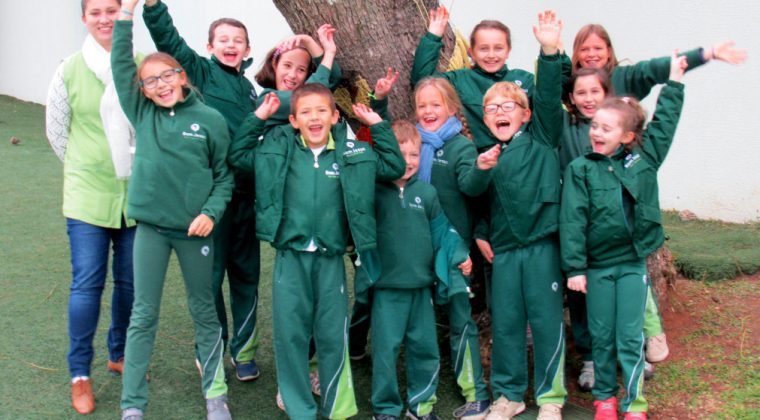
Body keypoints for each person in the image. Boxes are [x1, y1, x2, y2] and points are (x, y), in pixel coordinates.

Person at [229, 84, 404, 420]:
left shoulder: (352, 155)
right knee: (290, 335)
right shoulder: (277, 152)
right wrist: (258, 117)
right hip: (290, 258)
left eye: (321, 110)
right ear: (294, 120)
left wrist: (378, 125)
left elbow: (393, 166)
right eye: (305, 112)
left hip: (330, 259)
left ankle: (337, 408)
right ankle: (300, 409)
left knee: (331, 335)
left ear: (335, 116)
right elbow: (238, 156)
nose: (314, 117)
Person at [112, 3, 234, 419]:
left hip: (195, 232)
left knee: (204, 311)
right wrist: (126, 15)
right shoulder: (143, 113)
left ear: (182, 76)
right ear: (142, 89)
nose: (160, 85)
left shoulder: (210, 119)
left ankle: (215, 397)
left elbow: (224, 177)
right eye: (151, 81)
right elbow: (119, 63)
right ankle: (132, 406)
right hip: (151, 230)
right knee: (143, 314)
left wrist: (211, 213)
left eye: (167, 76)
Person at [560, 52, 688, 420]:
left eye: (606, 127)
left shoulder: (642, 161)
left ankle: (634, 403)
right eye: (594, 125)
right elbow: (572, 220)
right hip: (596, 268)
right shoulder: (580, 169)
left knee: (631, 338)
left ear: (628, 136)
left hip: (632, 264)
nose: (596, 132)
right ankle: (605, 400)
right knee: (601, 337)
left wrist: (675, 81)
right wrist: (575, 268)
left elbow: (664, 125)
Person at [140, 0, 262, 382]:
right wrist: (153, 6)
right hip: (212, 202)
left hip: (247, 202)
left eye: (237, 40)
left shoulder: (250, 90)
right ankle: (210, 348)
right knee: (209, 280)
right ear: (209, 47)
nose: (230, 44)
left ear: (246, 49)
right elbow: (168, 39)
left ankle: (244, 353)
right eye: (222, 39)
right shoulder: (199, 73)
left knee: (246, 276)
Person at [45, 0, 139, 414]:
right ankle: (79, 374)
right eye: (96, 11)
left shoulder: (140, 63)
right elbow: (57, 132)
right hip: (87, 194)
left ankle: (118, 354)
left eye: (112, 9)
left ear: (123, 14)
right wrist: (89, 167)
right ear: (84, 18)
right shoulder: (68, 69)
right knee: (87, 285)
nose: (104, 18)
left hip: (136, 194)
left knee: (131, 283)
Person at [474, 11, 566, 420]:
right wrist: (479, 233)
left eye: (509, 105)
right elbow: (478, 204)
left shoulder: (543, 137)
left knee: (546, 323)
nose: (500, 111)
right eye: (492, 107)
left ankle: (550, 397)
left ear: (525, 115)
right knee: (507, 324)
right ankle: (509, 395)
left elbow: (547, 97)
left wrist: (548, 51)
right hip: (504, 253)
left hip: (542, 246)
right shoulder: (485, 155)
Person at [370, 120, 473, 420]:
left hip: (420, 289)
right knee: (385, 352)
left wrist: (461, 254)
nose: (408, 162)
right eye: (400, 155)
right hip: (387, 289)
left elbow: (445, 232)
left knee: (424, 349)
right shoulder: (374, 192)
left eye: (414, 155)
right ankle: (386, 409)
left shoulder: (426, 194)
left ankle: (422, 406)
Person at [411, 6, 534, 152]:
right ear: (472, 52)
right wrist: (433, 37)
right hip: (482, 160)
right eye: (483, 49)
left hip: (522, 157)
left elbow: (553, 103)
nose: (491, 55)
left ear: (508, 51)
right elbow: (423, 82)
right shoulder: (461, 79)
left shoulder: (525, 79)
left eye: (498, 48)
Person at [569, 23, 747, 100]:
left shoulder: (626, 77)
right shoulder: (568, 83)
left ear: (608, 51)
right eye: (584, 49)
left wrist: (707, 54)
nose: (591, 54)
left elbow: (656, 68)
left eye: (598, 48)